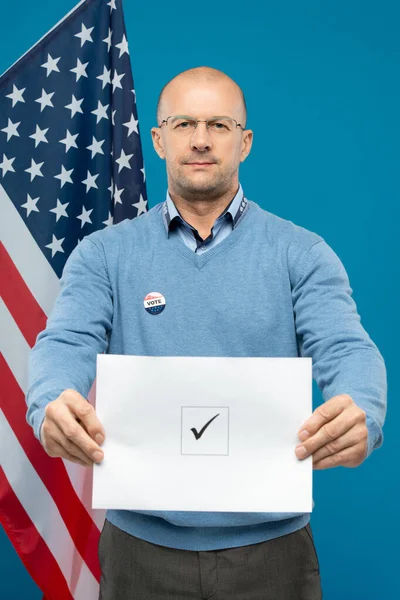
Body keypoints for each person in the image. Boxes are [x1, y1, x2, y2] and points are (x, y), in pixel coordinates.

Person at [26, 66, 387, 600]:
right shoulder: (105, 254)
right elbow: (66, 343)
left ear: (244, 142)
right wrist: (49, 399)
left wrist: (362, 408)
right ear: (158, 139)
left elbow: (345, 346)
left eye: (218, 125)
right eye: (184, 123)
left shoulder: (302, 253)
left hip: (273, 555)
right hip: (139, 553)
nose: (199, 140)